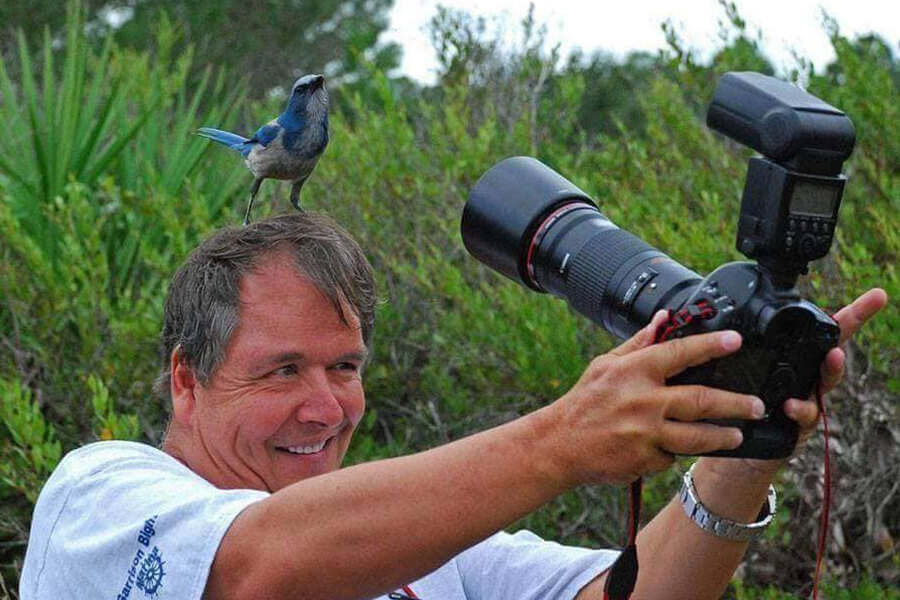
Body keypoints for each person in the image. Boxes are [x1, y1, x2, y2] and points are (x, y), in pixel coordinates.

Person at [20, 213, 887, 600]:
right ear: (185, 379)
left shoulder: (430, 554)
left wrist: (743, 444)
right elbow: (259, 570)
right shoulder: (98, 497)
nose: (325, 406)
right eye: (282, 371)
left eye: (346, 366)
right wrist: (565, 438)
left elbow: (630, 595)